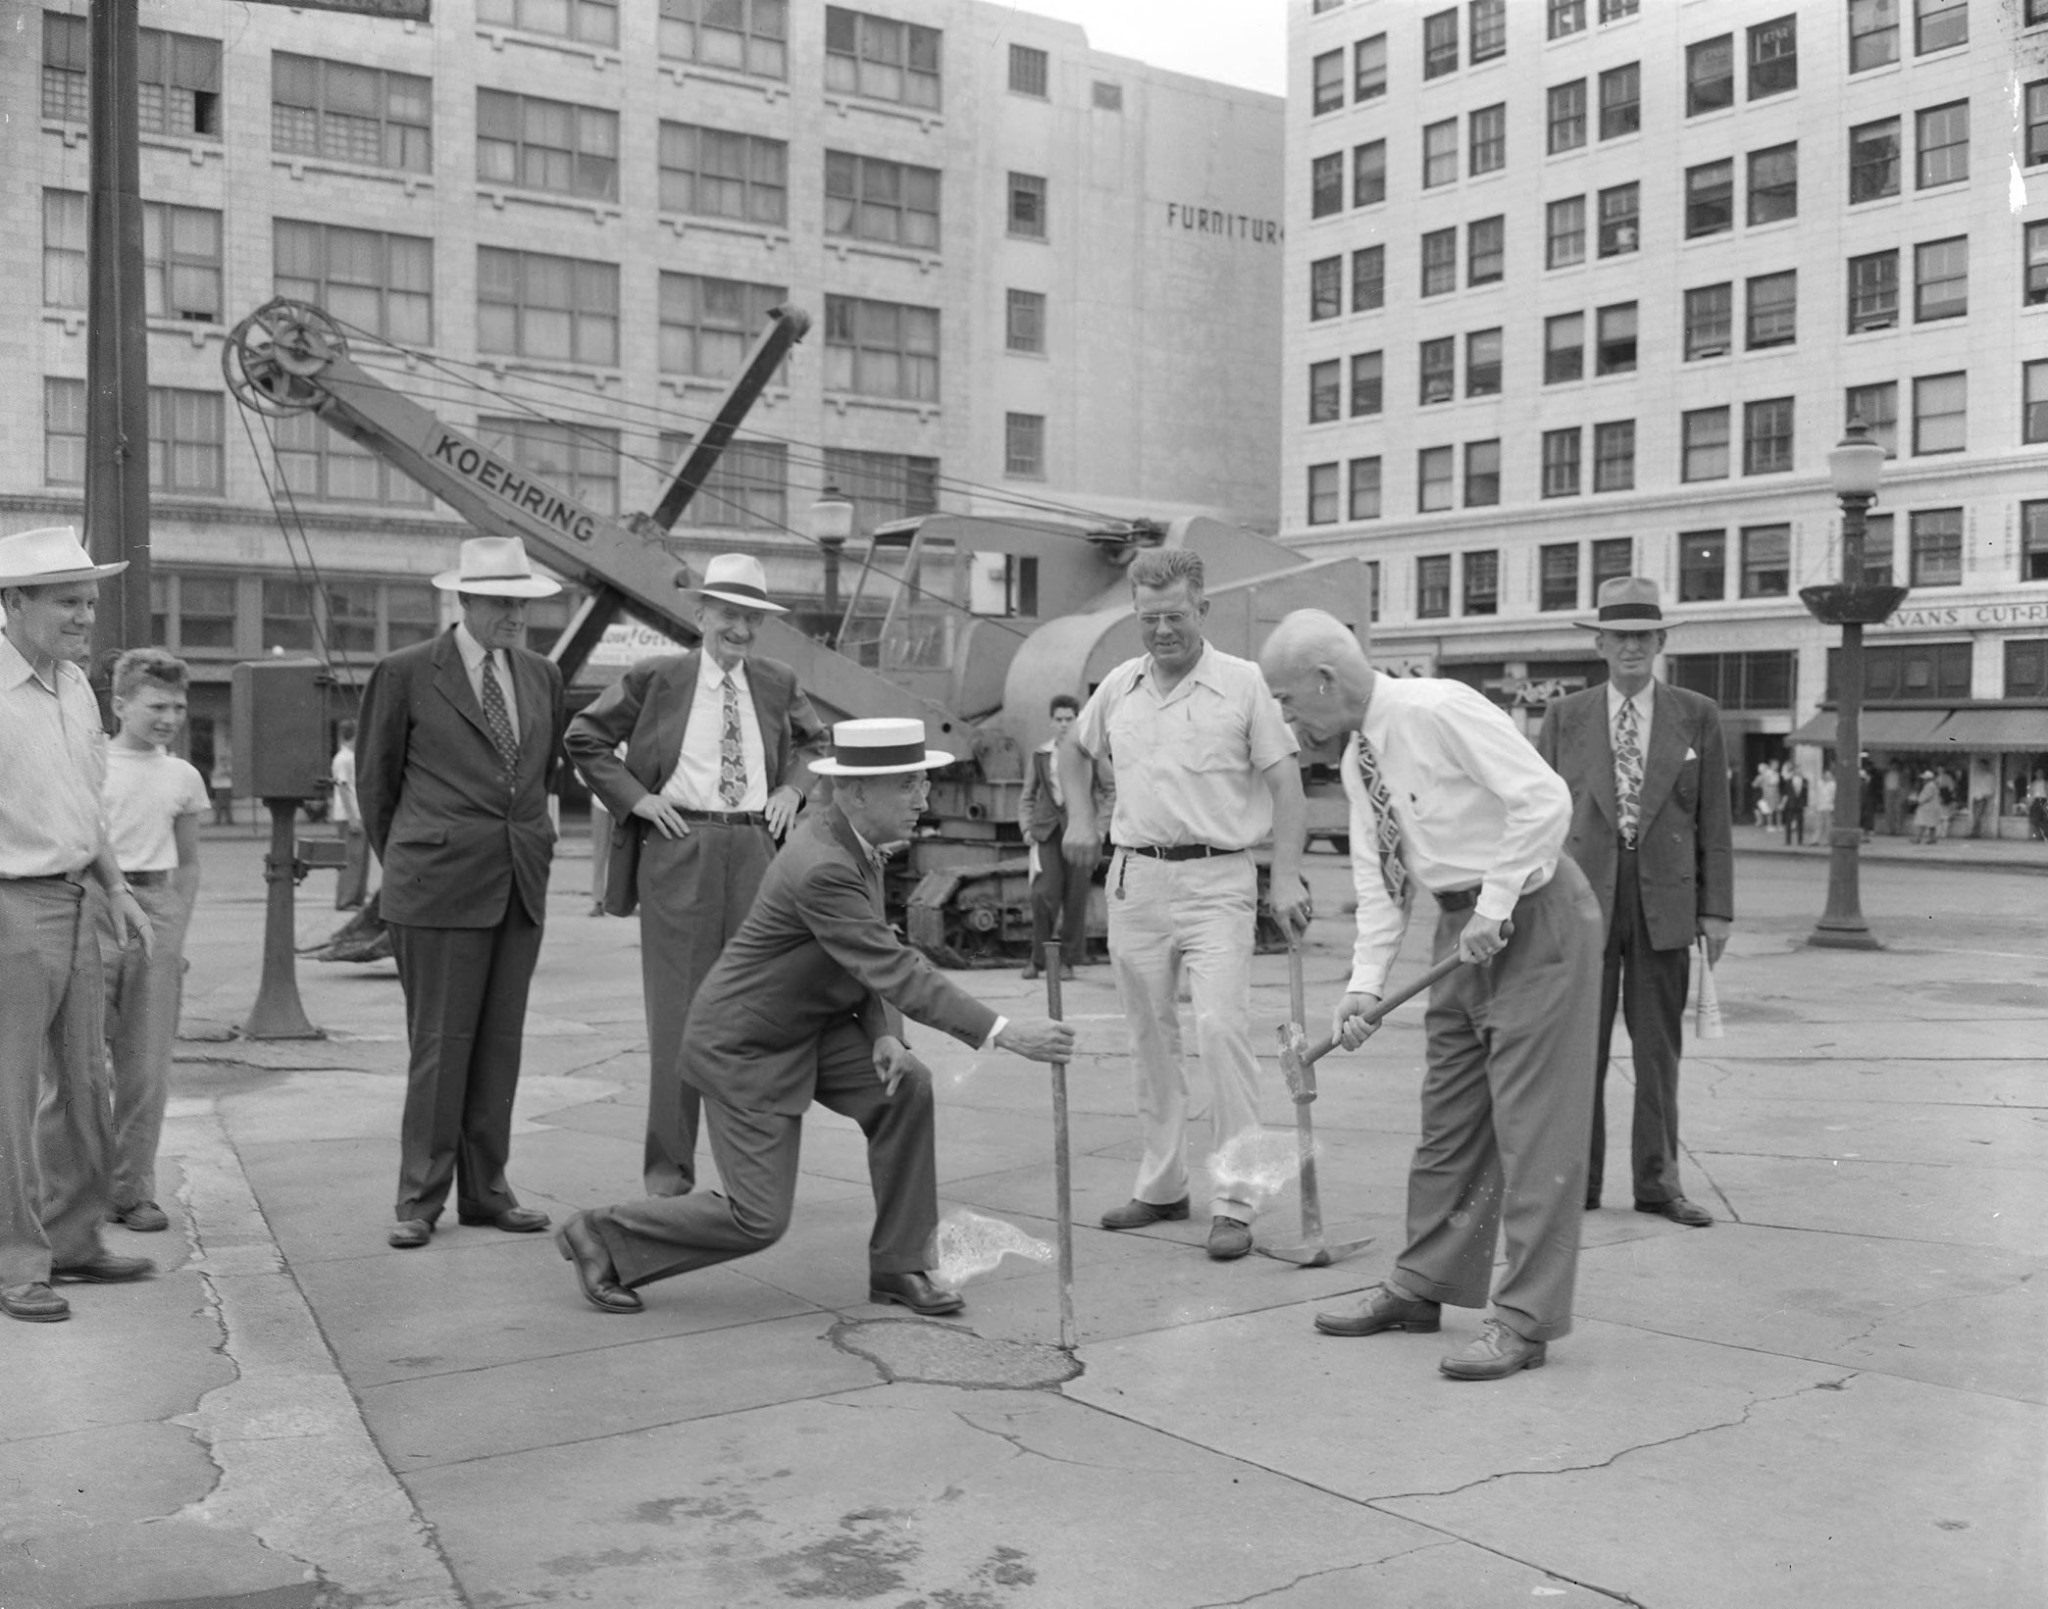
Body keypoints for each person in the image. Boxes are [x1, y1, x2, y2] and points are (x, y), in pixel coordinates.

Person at [553, 718, 1076, 1317]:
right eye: (908, 786)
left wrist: (884, 1036)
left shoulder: (856, 842)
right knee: (757, 1220)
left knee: (906, 1089)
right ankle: (601, 1235)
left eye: (922, 784)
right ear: (855, 791)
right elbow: (898, 968)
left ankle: (900, 1266)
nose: (923, 799)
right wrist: (1006, 1034)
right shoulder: (823, 862)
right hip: (744, 1046)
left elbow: (867, 952)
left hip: (811, 1027)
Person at [1260, 610, 1601, 1382]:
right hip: (1462, 927)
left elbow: (1543, 799)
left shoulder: (1438, 708)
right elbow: (1382, 878)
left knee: (1533, 1126)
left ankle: (1524, 1318)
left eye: (1286, 699)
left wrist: (1498, 901)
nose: (1286, 716)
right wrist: (1363, 987)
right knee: (1449, 1116)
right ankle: (1425, 1283)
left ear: (1324, 677)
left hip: (1534, 916)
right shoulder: (1358, 761)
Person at [1057, 547, 1310, 1262]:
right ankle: (1163, 1183)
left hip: (1218, 880)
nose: (1161, 630)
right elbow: (1072, 753)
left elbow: (1287, 786)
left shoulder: (1244, 684)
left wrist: (1285, 877)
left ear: (1203, 608)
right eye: (1147, 617)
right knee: (1148, 1037)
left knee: (1222, 1031)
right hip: (1136, 880)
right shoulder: (1119, 684)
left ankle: (1236, 1199)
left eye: (1174, 615)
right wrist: (1080, 817)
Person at [566, 554, 828, 1199]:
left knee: (753, 1014)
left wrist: (793, 792)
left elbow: (817, 746)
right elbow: (585, 738)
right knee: (678, 1021)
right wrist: (637, 798)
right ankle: (669, 1176)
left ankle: (749, 1174)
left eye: (751, 617)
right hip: (681, 848)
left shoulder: (775, 680)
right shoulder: (659, 676)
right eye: (729, 614)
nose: (739, 629)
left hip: (755, 852)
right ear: (701, 613)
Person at [356, 536, 566, 1250]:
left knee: (498, 1046)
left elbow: (539, 777)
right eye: (504, 602)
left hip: (517, 882)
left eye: (524, 602)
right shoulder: (407, 671)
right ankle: (419, 1197)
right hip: (437, 886)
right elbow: (376, 787)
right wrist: (421, 856)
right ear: (465, 600)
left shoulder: (541, 674)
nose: (517, 615)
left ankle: (488, 1189)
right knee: (441, 1047)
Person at [1534, 578, 1733, 1229]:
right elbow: (1539, 814)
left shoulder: (1695, 713)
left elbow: (1714, 818)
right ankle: (1580, 1183)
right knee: (1578, 1052)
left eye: (1642, 636)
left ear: (1660, 642)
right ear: (1599, 643)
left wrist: (1717, 908)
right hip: (1583, 902)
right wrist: (1530, 899)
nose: (1630, 647)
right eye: (1619, 636)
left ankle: (1657, 1182)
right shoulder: (1565, 716)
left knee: (1657, 1052)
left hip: (1664, 904)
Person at [0, 527, 158, 1322]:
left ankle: (72, 1238)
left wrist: (117, 886)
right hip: (9, 903)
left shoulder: (75, 687)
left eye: (90, 601)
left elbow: (84, 805)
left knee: (84, 1082)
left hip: (76, 898)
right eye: (67, 600)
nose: (85, 616)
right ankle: (14, 1263)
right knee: (8, 1095)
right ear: (14, 602)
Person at [99, 649, 210, 1236]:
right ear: (119, 704)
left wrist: (177, 933)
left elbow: (188, 864)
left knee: (145, 1063)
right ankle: (70, 1191)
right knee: (79, 1062)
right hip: (93, 907)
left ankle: (131, 1190)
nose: (170, 717)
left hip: (158, 906)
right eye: (156, 705)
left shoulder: (182, 776)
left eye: (180, 706)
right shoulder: (90, 763)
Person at [1017, 693, 1108, 982]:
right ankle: (1038, 960)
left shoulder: (1090, 752)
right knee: (1042, 894)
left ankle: (1068, 961)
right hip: (1047, 833)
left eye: (1070, 719)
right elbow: (1027, 795)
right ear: (1051, 721)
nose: (1065, 724)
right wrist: (1026, 828)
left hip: (1081, 835)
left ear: (1078, 720)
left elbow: (1112, 791)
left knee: (1076, 895)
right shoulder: (1040, 754)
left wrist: (1099, 829)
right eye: (1059, 719)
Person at [330, 717, 369, 910]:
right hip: (349, 815)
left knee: (358, 858)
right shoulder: (344, 759)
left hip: (354, 813)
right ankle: (346, 899)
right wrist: (353, 817)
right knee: (351, 858)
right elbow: (343, 789)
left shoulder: (348, 757)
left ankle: (355, 898)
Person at [1911, 769, 1944, 845]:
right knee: (1931, 824)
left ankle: (1917, 839)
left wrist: (1917, 800)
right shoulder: (1932, 785)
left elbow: (1926, 797)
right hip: (1931, 808)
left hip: (1928, 808)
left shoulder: (1930, 786)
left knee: (1921, 824)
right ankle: (1932, 838)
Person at [1968, 757, 1996, 839]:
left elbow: (1991, 789)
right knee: (1975, 816)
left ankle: (1975, 832)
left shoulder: (1990, 776)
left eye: (1982, 765)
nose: (1980, 767)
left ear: (1986, 766)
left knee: (1978, 815)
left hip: (1983, 798)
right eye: (1979, 766)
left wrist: (1985, 796)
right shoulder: (1977, 775)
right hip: (1976, 797)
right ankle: (1976, 832)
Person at [1780, 764, 1808, 847]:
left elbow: (1806, 793)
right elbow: (1785, 793)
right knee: (1788, 822)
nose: (1799, 771)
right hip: (1790, 803)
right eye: (1797, 769)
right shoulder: (1788, 781)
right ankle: (1788, 840)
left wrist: (1805, 804)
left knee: (1800, 822)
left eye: (1800, 769)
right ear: (1794, 771)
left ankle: (1800, 840)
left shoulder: (1805, 781)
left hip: (1800, 804)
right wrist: (1782, 803)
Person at [1813, 768, 1837, 845]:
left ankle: (1827, 840)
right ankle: (1815, 840)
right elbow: (1817, 794)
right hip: (1820, 806)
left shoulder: (1833, 784)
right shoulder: (1819, 783)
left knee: (1828, 825)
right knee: (1819, 824)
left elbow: (1833, 796)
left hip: (1829, 807)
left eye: (1829, 775)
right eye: (1826, 775)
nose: (1827, 777)